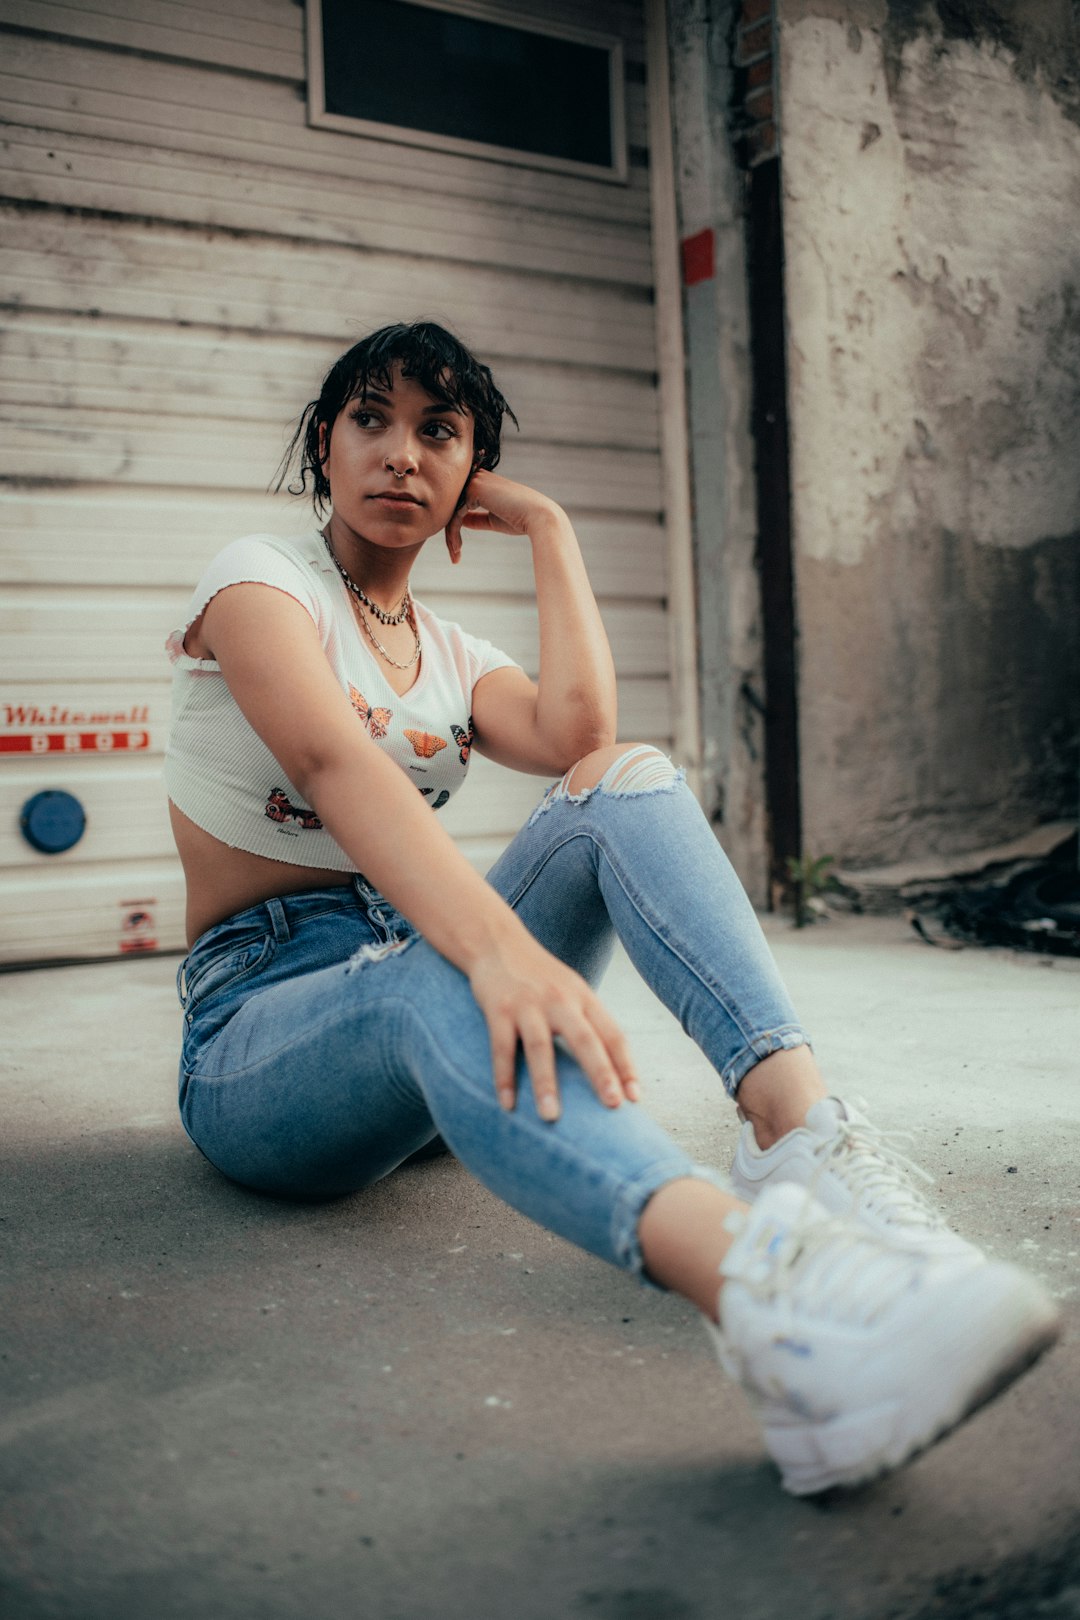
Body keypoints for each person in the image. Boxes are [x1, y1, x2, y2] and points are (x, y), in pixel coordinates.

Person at [165, 321, 1059, 1496]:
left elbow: (577, 742)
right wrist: (493, 951)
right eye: (369, 420)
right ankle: (773, 1307)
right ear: (321, 447)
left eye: (438, 431)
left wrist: (551, 528)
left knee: (622, 781)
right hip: (261, 1033)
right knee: (439, 967)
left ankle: (797, 1140)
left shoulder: (447, 647)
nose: (399, 454)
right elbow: (338, 768)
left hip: (418, 1000)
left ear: (469, 473)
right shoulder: (258, 584)